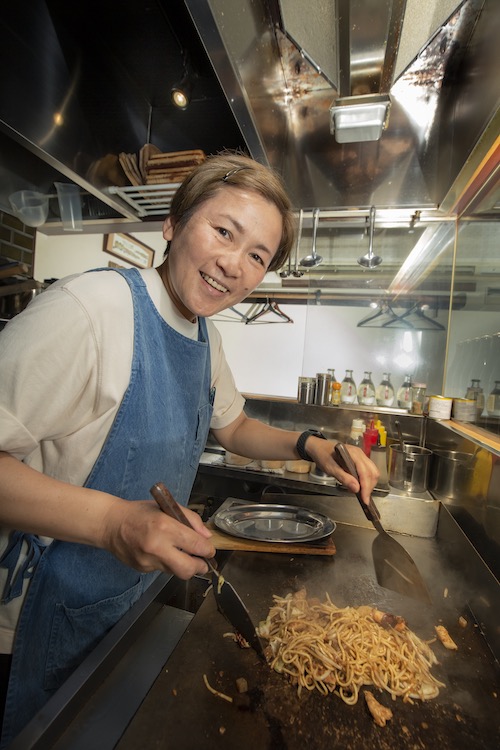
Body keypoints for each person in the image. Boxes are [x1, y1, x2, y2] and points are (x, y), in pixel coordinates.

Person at [0, 151, 378, 743]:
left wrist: (310, 443)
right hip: (36, 617)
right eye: (223, 231)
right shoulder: (91, 311)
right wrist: (113, 523)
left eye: (256, 256)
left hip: (124, 604)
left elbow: (234, 428)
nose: (233, 264)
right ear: (173, 224)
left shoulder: (205, 335)